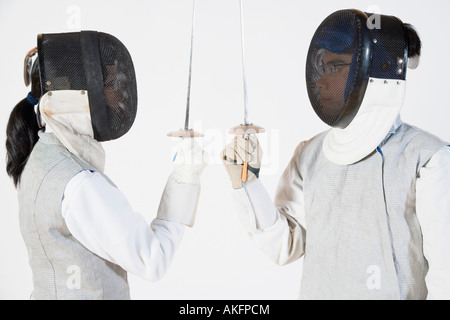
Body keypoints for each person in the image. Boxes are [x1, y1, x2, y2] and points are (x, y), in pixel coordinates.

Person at [222, 9, 450, 299]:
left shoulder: (428, 159)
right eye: (321, 68)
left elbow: (447, 277)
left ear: (376, 71)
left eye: (334, 67)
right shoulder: (311, 154)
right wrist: (248, 183)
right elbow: (285, 245)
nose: (320, 81)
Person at [5, 31, 207, 300]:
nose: (118, 93)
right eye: (108, 83)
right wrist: (185, 178)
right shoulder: (78, 183)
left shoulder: (40, 156)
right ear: (76, 92)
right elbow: (152, 260)